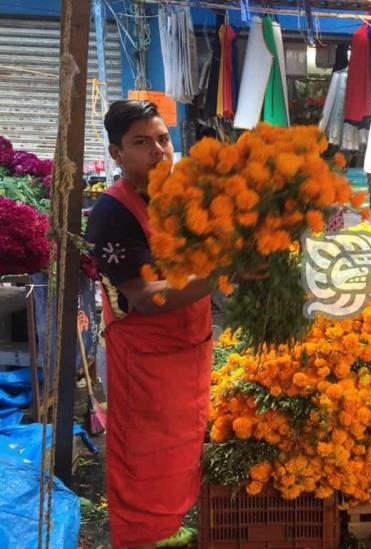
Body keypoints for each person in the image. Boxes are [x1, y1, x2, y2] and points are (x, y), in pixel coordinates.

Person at [86, 100, 265, 549]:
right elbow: (144, 298)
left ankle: (164, 525)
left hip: (190, 343)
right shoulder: (113, 214)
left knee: (182, 445)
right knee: (144, 452)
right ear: (116, 153)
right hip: (145, 357)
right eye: (141, 143)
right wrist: (223, 270)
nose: (158, 151)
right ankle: (140, 536)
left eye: (163, 139)